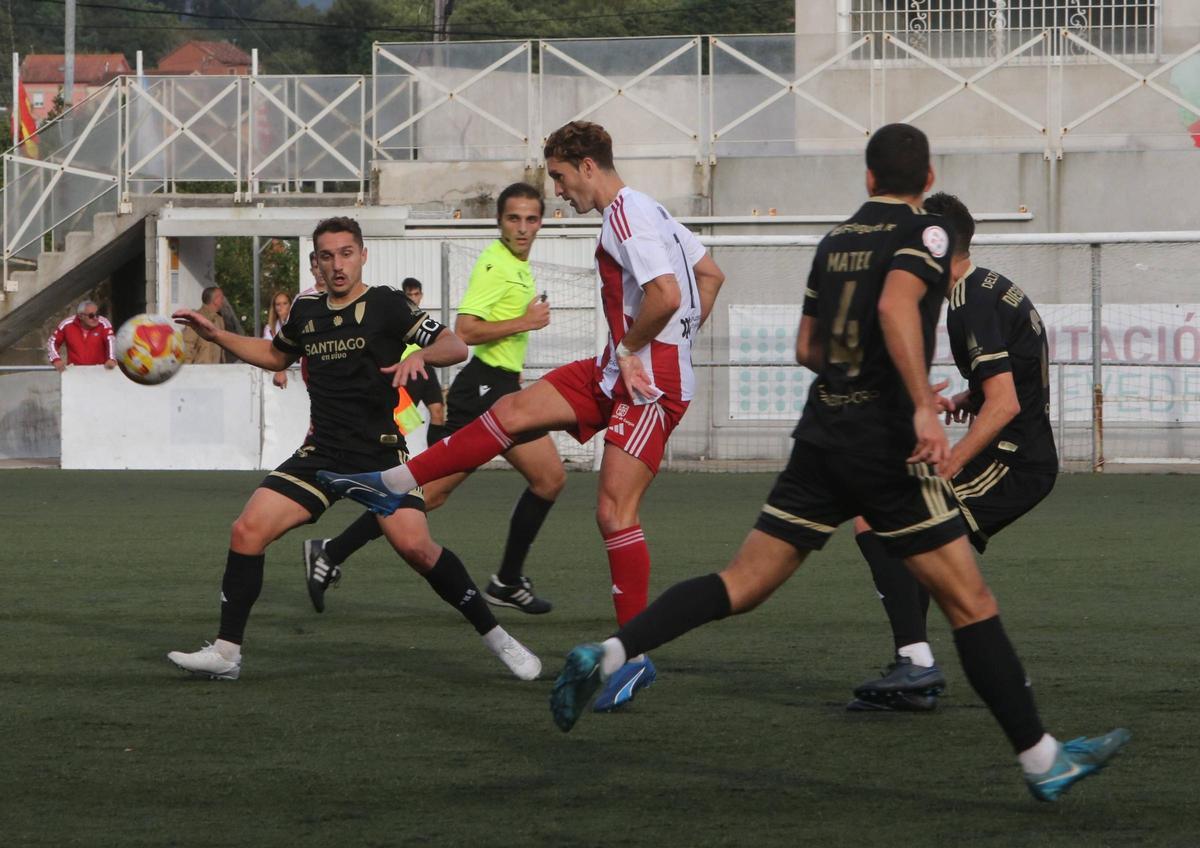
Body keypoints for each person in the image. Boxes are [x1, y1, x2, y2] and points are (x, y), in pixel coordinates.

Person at [547, 124, 1128, 803]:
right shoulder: (932, 235)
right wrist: (916, 401)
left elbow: (804, 346)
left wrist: (858, 377)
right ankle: (1041, 758)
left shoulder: (836, 240)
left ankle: (610, 654)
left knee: (742, 582)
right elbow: (894, 305)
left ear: (868, 179)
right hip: (883, 446)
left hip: (822, 435)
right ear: (929, 179)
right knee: (971, 601)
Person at [320, 122, 726, 713]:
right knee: (509, 411)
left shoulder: (627, 217)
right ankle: (394, 485)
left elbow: (665, 294)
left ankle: (634, 660)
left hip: (647, 384)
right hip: (619, 367)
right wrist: (663, 343)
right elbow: (710, 275)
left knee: (614, 512)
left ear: (587, 165)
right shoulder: (651, 210)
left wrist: (648, 350)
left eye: (560, 177)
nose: (558, 192)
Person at [166, 216, 541, 683]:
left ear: (363, 255)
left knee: (418, 550)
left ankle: (499, 639)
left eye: (346, 253)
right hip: (320, 455)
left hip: (379, 456)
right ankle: (226, 653)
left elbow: (455, 345)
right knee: (246, 532)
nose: (337, 265)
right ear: (316, 262)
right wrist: (217, 335)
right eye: (327, 256)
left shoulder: (387, 304)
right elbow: (276, 357)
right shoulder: (304, 311)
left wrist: (421, 354)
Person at [304, 184, 564, 616]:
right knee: (426, 494)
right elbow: (466, 331)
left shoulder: (519, 266)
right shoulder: (495, 265)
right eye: (513, 219)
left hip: (500, 388)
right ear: (499, 221)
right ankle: (331, 551)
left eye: (531, 219)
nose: (522, 228)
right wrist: (526, 321)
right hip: (482, 393)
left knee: (549, 479)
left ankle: (507, 579)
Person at [848, 191, 1059, 712]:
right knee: (906, 536)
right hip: (1016, 451)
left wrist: (955, 457)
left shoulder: (969, 303)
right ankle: (915, 666)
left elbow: (1006, 404)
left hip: (1014, 460)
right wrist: (969, 395)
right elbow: (1008, 383)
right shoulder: (989, 287)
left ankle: (918, 667)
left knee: (882, 523)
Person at [47, 301, 116, 371]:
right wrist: (56, 359)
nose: (96, 318)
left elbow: (111, 341)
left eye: (97, 314)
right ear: (80, 316)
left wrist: (111, 359)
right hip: (75, 372)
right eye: (91, 316)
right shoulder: (67, 324)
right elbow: (52, 342)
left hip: (99, 371)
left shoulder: (103, 323)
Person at [182, 287, 226, 364]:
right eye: (221, 298)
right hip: (199, 371)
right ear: (215, 300)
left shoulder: (219, 319)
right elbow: (187, 345)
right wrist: (186, 370)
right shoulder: (196, 318)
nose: (223, 301)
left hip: (216, 371)